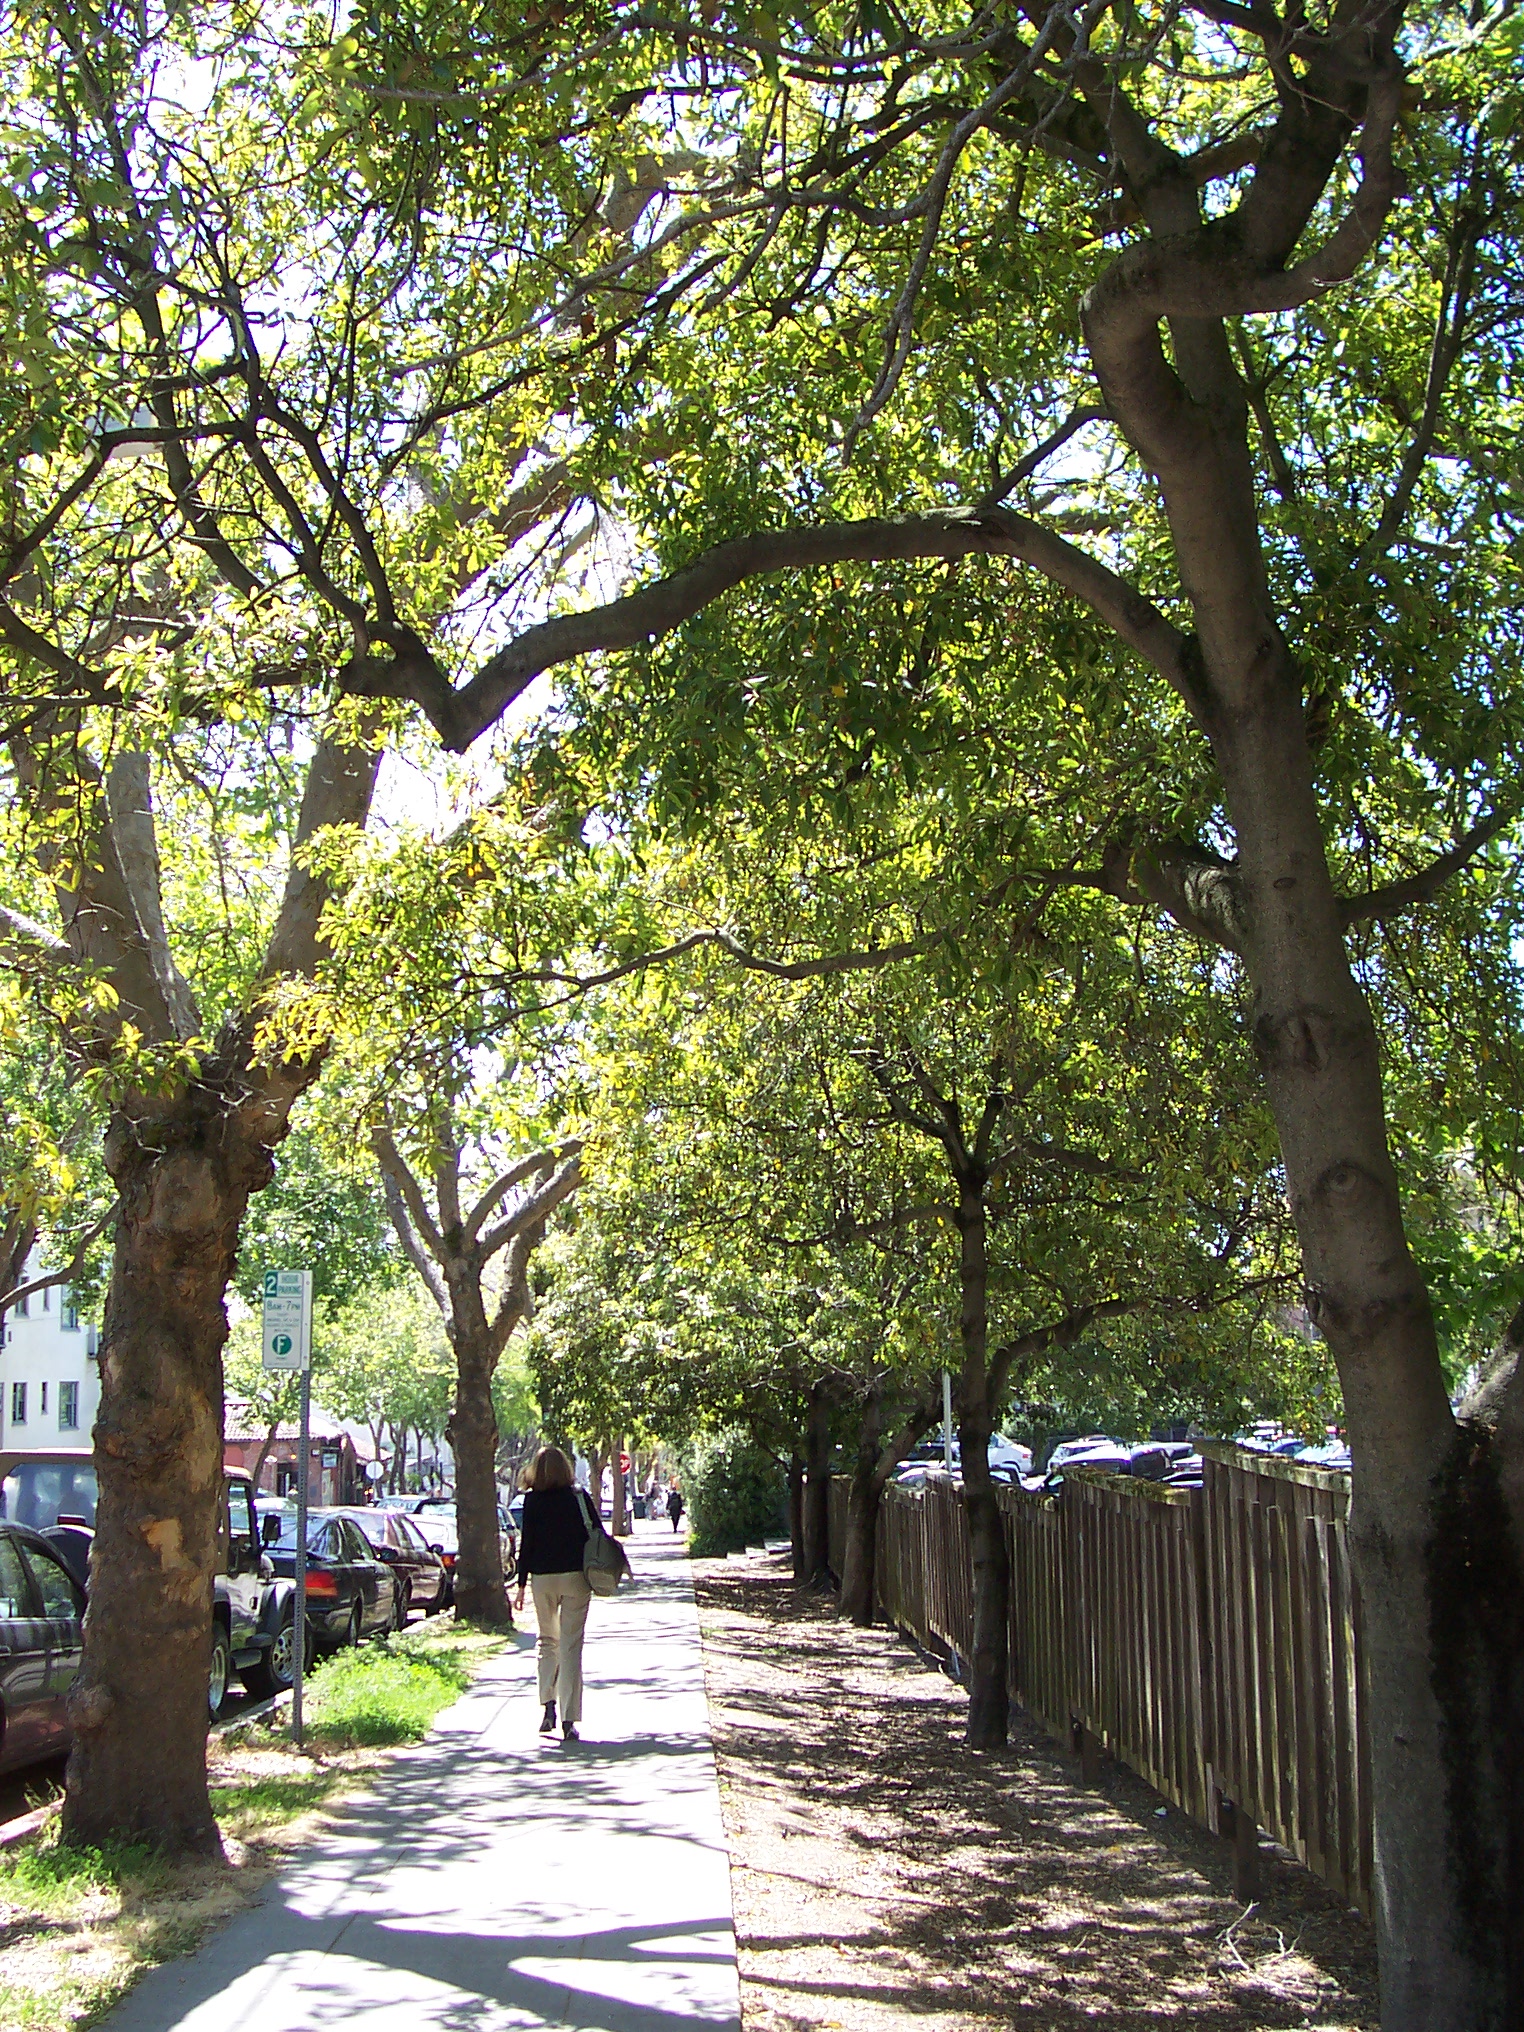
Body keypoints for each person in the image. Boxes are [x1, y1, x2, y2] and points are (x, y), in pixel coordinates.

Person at [514, 1446, 592, 1741]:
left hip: (542, 1579)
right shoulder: (579, 1498)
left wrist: (521, 1585)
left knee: (548, 1641)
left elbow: (527, 1545)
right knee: (571, 1647)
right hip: (575, 1577)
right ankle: (569, 1719)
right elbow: (594, 1534)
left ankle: (548, 1706)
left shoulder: (532, 1502)